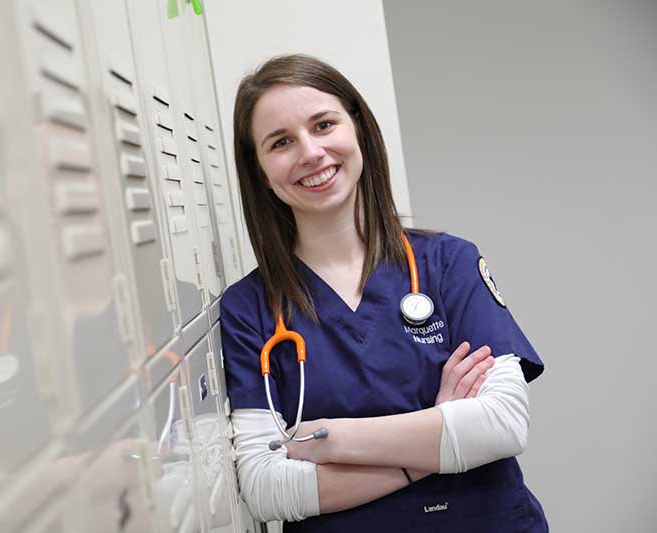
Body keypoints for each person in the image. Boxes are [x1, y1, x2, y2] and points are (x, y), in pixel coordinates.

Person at [220, 54, 548, 532]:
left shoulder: (448, 263)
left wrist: (328, 439)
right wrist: (436, 437)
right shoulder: (249, 309)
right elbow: (268, 487)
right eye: (281, 142)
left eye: (323, 124)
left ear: (358, 130)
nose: (310, 152)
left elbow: (501, 424)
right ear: (261, 172)